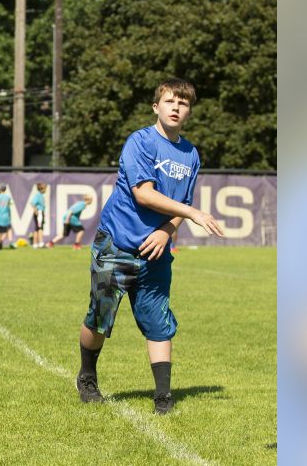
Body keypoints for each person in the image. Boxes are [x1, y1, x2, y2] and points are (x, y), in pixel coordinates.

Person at [74, 78, 224, 415]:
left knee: (158, 321)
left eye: (183, 104)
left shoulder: (191, 154)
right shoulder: (139, 142)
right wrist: (193, 213)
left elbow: (180, 201)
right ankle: (86, 375)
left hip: (156, 252)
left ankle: (163, 398)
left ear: (189, 112)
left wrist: (167, 231)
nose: (176, 108)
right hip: (117, 244)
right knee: (99, 319)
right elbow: (144, 193)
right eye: (169, 101)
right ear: (156, 107)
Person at [0, 184, 14, 249]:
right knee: (7, 230)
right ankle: (1, 241)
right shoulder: (8, 197)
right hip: (6, 216)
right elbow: (10, 206)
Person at [30, 182, 48, 248]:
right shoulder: (38, 195)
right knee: (40, 228)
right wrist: (35, 210)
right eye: (45, 188)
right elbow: (32, 203)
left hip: (40, 212)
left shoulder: (40, 195)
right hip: (39, 212)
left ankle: (35, 244)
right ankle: (40, 243)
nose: (46, 190)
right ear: (42, 188)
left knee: (37, 228)